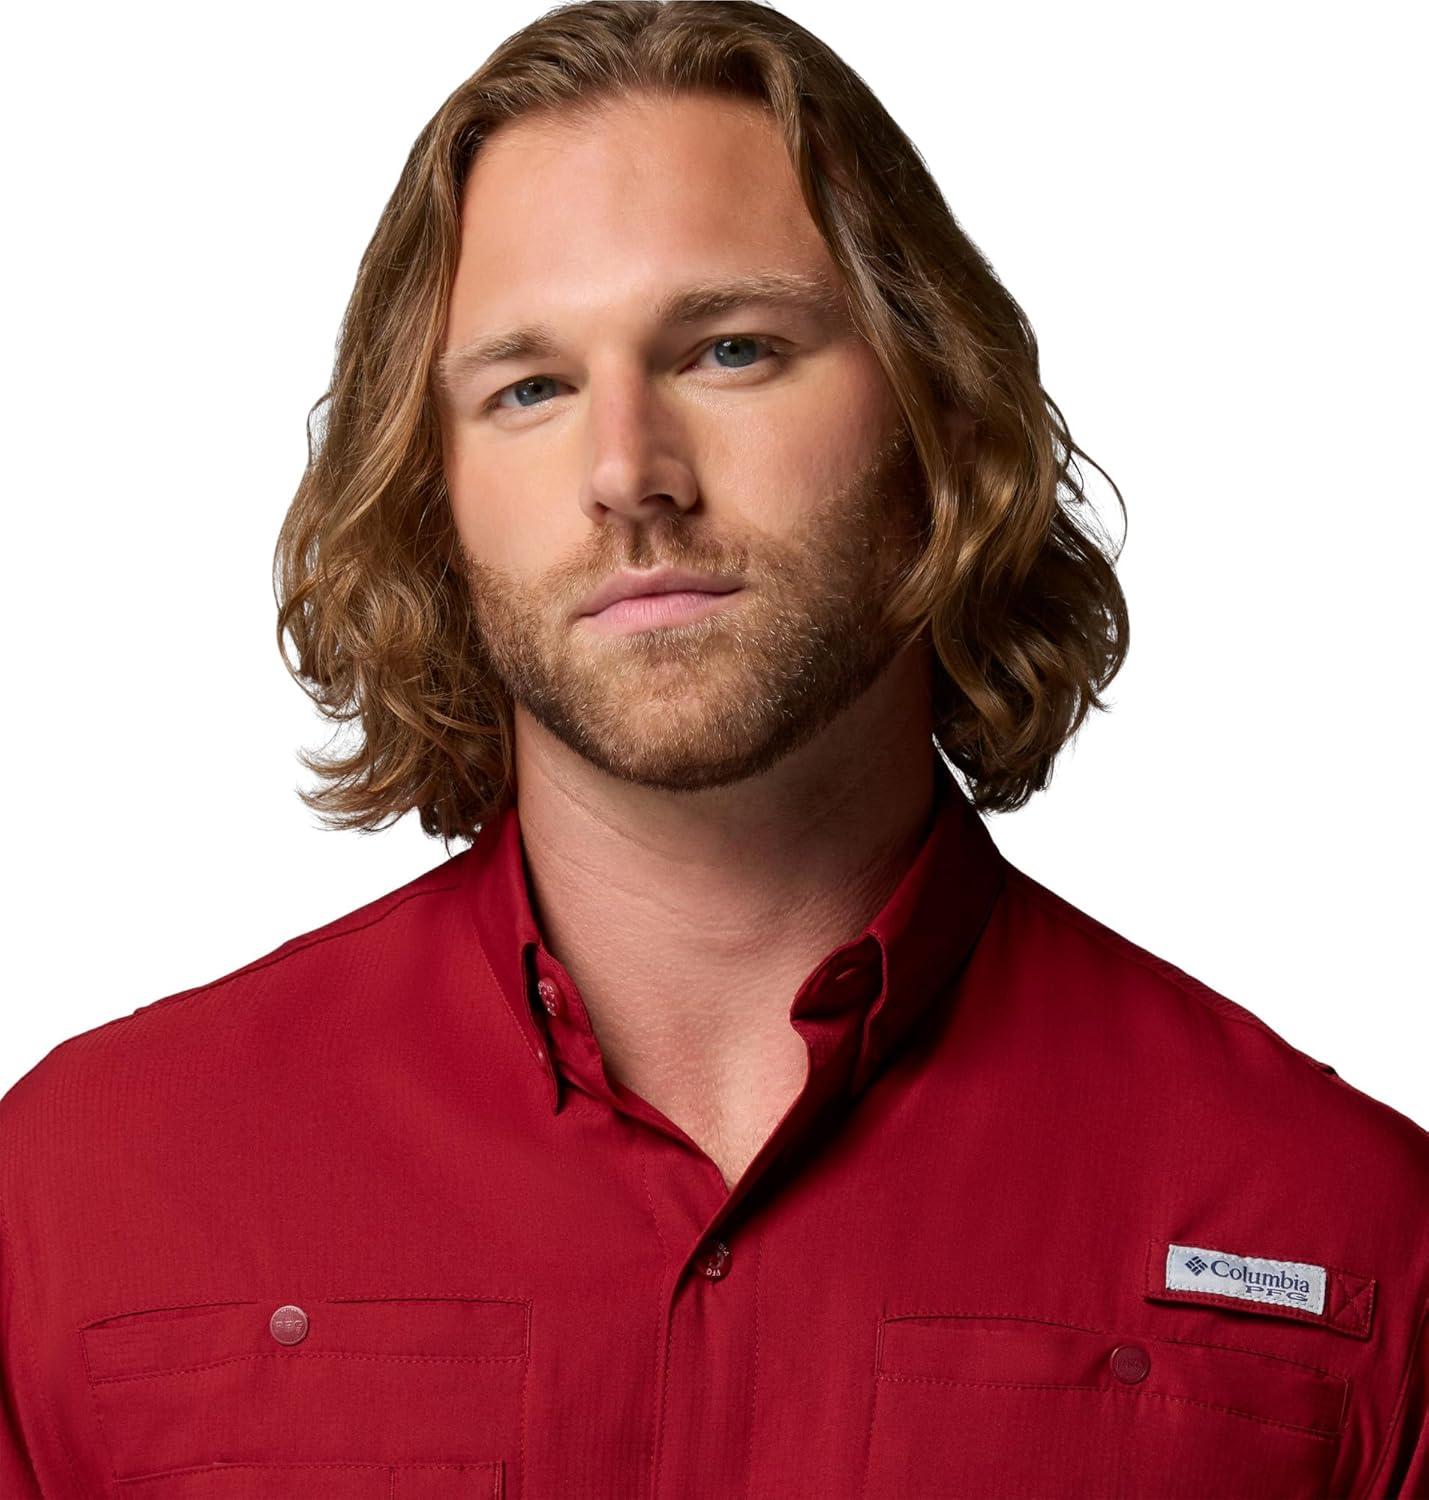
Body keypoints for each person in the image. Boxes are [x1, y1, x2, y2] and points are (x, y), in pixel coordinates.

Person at [2, 1, 1425, 1494]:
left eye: (732, 350)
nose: (628, 472)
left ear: (940, 422)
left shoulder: (1344, 1231)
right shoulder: (85, 1196)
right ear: (431, 489)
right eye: (530, 388)